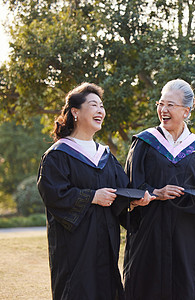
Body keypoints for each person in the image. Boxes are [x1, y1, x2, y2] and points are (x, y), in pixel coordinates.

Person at [122, 79, 195, 300]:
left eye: (170, 105)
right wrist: (156, 193)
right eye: (160, 103)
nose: (163, 110)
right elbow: (131, 188)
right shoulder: (145, 142)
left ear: (186, 111)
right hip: (148, 234)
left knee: (182, 287)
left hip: (186, 237)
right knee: (143, 287)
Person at [37, 82, 153, 300]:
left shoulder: (105, 156)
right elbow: (53, 194)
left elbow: (122, 191)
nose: (101, 110)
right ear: (75, 112)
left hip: (106, 246)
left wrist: (134, 201)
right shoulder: (58, 154)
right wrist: (92, 197)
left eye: (102, 106)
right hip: (75, 248)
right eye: (93, 105)